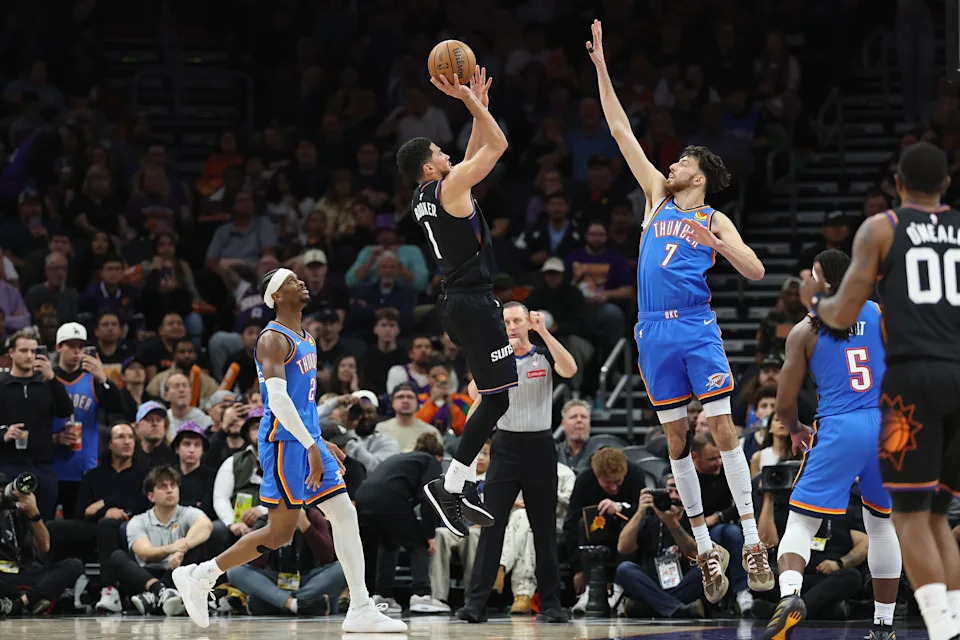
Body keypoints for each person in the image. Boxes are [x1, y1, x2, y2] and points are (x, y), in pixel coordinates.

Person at [587, 19, 772, 603]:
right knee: (674, 439)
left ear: (700, 174)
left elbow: (756, 271)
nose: (670, 166)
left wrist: (720, 243)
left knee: (720, 427)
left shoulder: (711, 218)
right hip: (651, 334)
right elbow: (620, 131)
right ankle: (705, 546)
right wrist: (600, 68)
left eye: (680, 163)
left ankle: (749, 538)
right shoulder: (655, 200)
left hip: (695, 327)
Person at [171, 267, 405, 633]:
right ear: (277, 296)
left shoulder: (305, 336)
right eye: (292, 281)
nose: (301, 283)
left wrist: (319, 440)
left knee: (345, 514)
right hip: (283, 443)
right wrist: (311, 444)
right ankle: (200, 575)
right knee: (279, 533)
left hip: (307, 439)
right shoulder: (272, 339)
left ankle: (360, 605)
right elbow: (277, 400)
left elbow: (303, 402)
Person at [799, 142, 960, 640]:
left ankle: (942, 631)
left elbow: (843, 313)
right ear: (947, 185)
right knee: (939, 516)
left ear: (898, 184)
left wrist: (817, 303)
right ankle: (952, 628)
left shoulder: (883, 228)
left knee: (910, 516)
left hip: (910, 383)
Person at [395, 66, 513, 535]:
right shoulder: (451, 188)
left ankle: (461, 485)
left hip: (458, 301)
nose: (448, 154)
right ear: (429, 166)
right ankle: (451, 485)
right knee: (498, 399)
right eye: (440, 152)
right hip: (473, 302)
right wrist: (468, 101)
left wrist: (477, 103)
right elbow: (497, 146)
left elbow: (474, 150)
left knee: (496, 396)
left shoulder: (429, 194)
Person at [766, 249, 902, 640]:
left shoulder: (804, 331)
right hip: (887, 426)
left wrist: (794, 429)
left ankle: (791, 594)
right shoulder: (879, 312)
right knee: (881, 526)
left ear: (819, 280)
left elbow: (785, 403)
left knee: (802, 523)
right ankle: (883, 625)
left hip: (839, 428)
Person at [458, 302, 578, 623]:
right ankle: (476, 603)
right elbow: (474, 392)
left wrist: (544, 332)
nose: (511, 326)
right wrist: (493, 354)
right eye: (506, 321)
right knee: (491, 526)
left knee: (543, 529)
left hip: (540, 446)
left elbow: (569, 369)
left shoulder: (542, 355)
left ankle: (552, 603)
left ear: (528, 322)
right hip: (506, 447)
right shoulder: (497, 358)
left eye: (517, 321)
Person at [355, 433, 444, 614]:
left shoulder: (403, 459)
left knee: (388, 544)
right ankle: (421, 595)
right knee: (417, 544)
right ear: (440, 456)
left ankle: (382, 596)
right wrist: (429, 534)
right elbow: (430, 498)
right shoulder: (431, 462)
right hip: (389, 499)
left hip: (363, 497)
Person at [51, 321, 123, 518]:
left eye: (80, 347)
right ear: (59, 347)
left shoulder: (92, 379)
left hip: (84, 466)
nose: (77, 351)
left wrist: (103, 377)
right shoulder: (48, 378)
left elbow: (119, 406)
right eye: (71, 346)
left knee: (78, 528)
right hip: (51, 465)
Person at [0, 329, 73, 519]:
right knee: (9, 525)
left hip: (43, 467)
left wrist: (51, 378)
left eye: (33, 351)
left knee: (43, 526)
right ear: (12, 353)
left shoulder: (46, 384)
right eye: (23, 350)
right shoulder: (1, 384)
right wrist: (4, 434)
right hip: (8, 465)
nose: (29, 356)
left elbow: (65, 410)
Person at [615, 478, 705, 619]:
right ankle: (678, 609)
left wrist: (673, 525)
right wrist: (640, 512)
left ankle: (652, 608)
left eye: (679, 491)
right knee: (625, 569)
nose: (674, 496)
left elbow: (696, 556)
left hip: (682, 582)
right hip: (651, 583)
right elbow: (623, 548)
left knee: (706, 569)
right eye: (669, 491)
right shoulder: (648, 517)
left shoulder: (695, 518)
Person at [0, 479, 84, 616]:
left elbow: (44, 546)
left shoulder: (18, 512)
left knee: (75, 565)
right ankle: (34, 598)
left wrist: (34, 514)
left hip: (22, 572)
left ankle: (20, 603)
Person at [376, 383, 443, 452]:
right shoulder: (381, 430)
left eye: (410, 397)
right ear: (392, 402)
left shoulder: (430, 432)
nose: (406, 401)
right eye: (400, 397)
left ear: (417, 403)